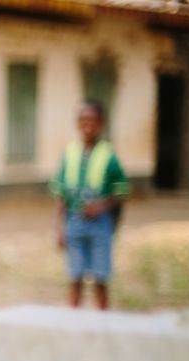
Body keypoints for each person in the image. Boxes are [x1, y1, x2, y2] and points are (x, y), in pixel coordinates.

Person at [50, 99, 130, 310]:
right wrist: (58, 227)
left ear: (101, 123)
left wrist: (102, 206)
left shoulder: (108, 154)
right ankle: (73, 324)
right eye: (83, 120)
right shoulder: (70, 153)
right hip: (73, 222)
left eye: (92, 120)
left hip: (100, 225)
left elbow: (122, 189)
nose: (88, 125)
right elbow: (60, 193)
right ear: (77, 123)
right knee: (74, 277)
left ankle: (103, 325)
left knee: (100, 279)